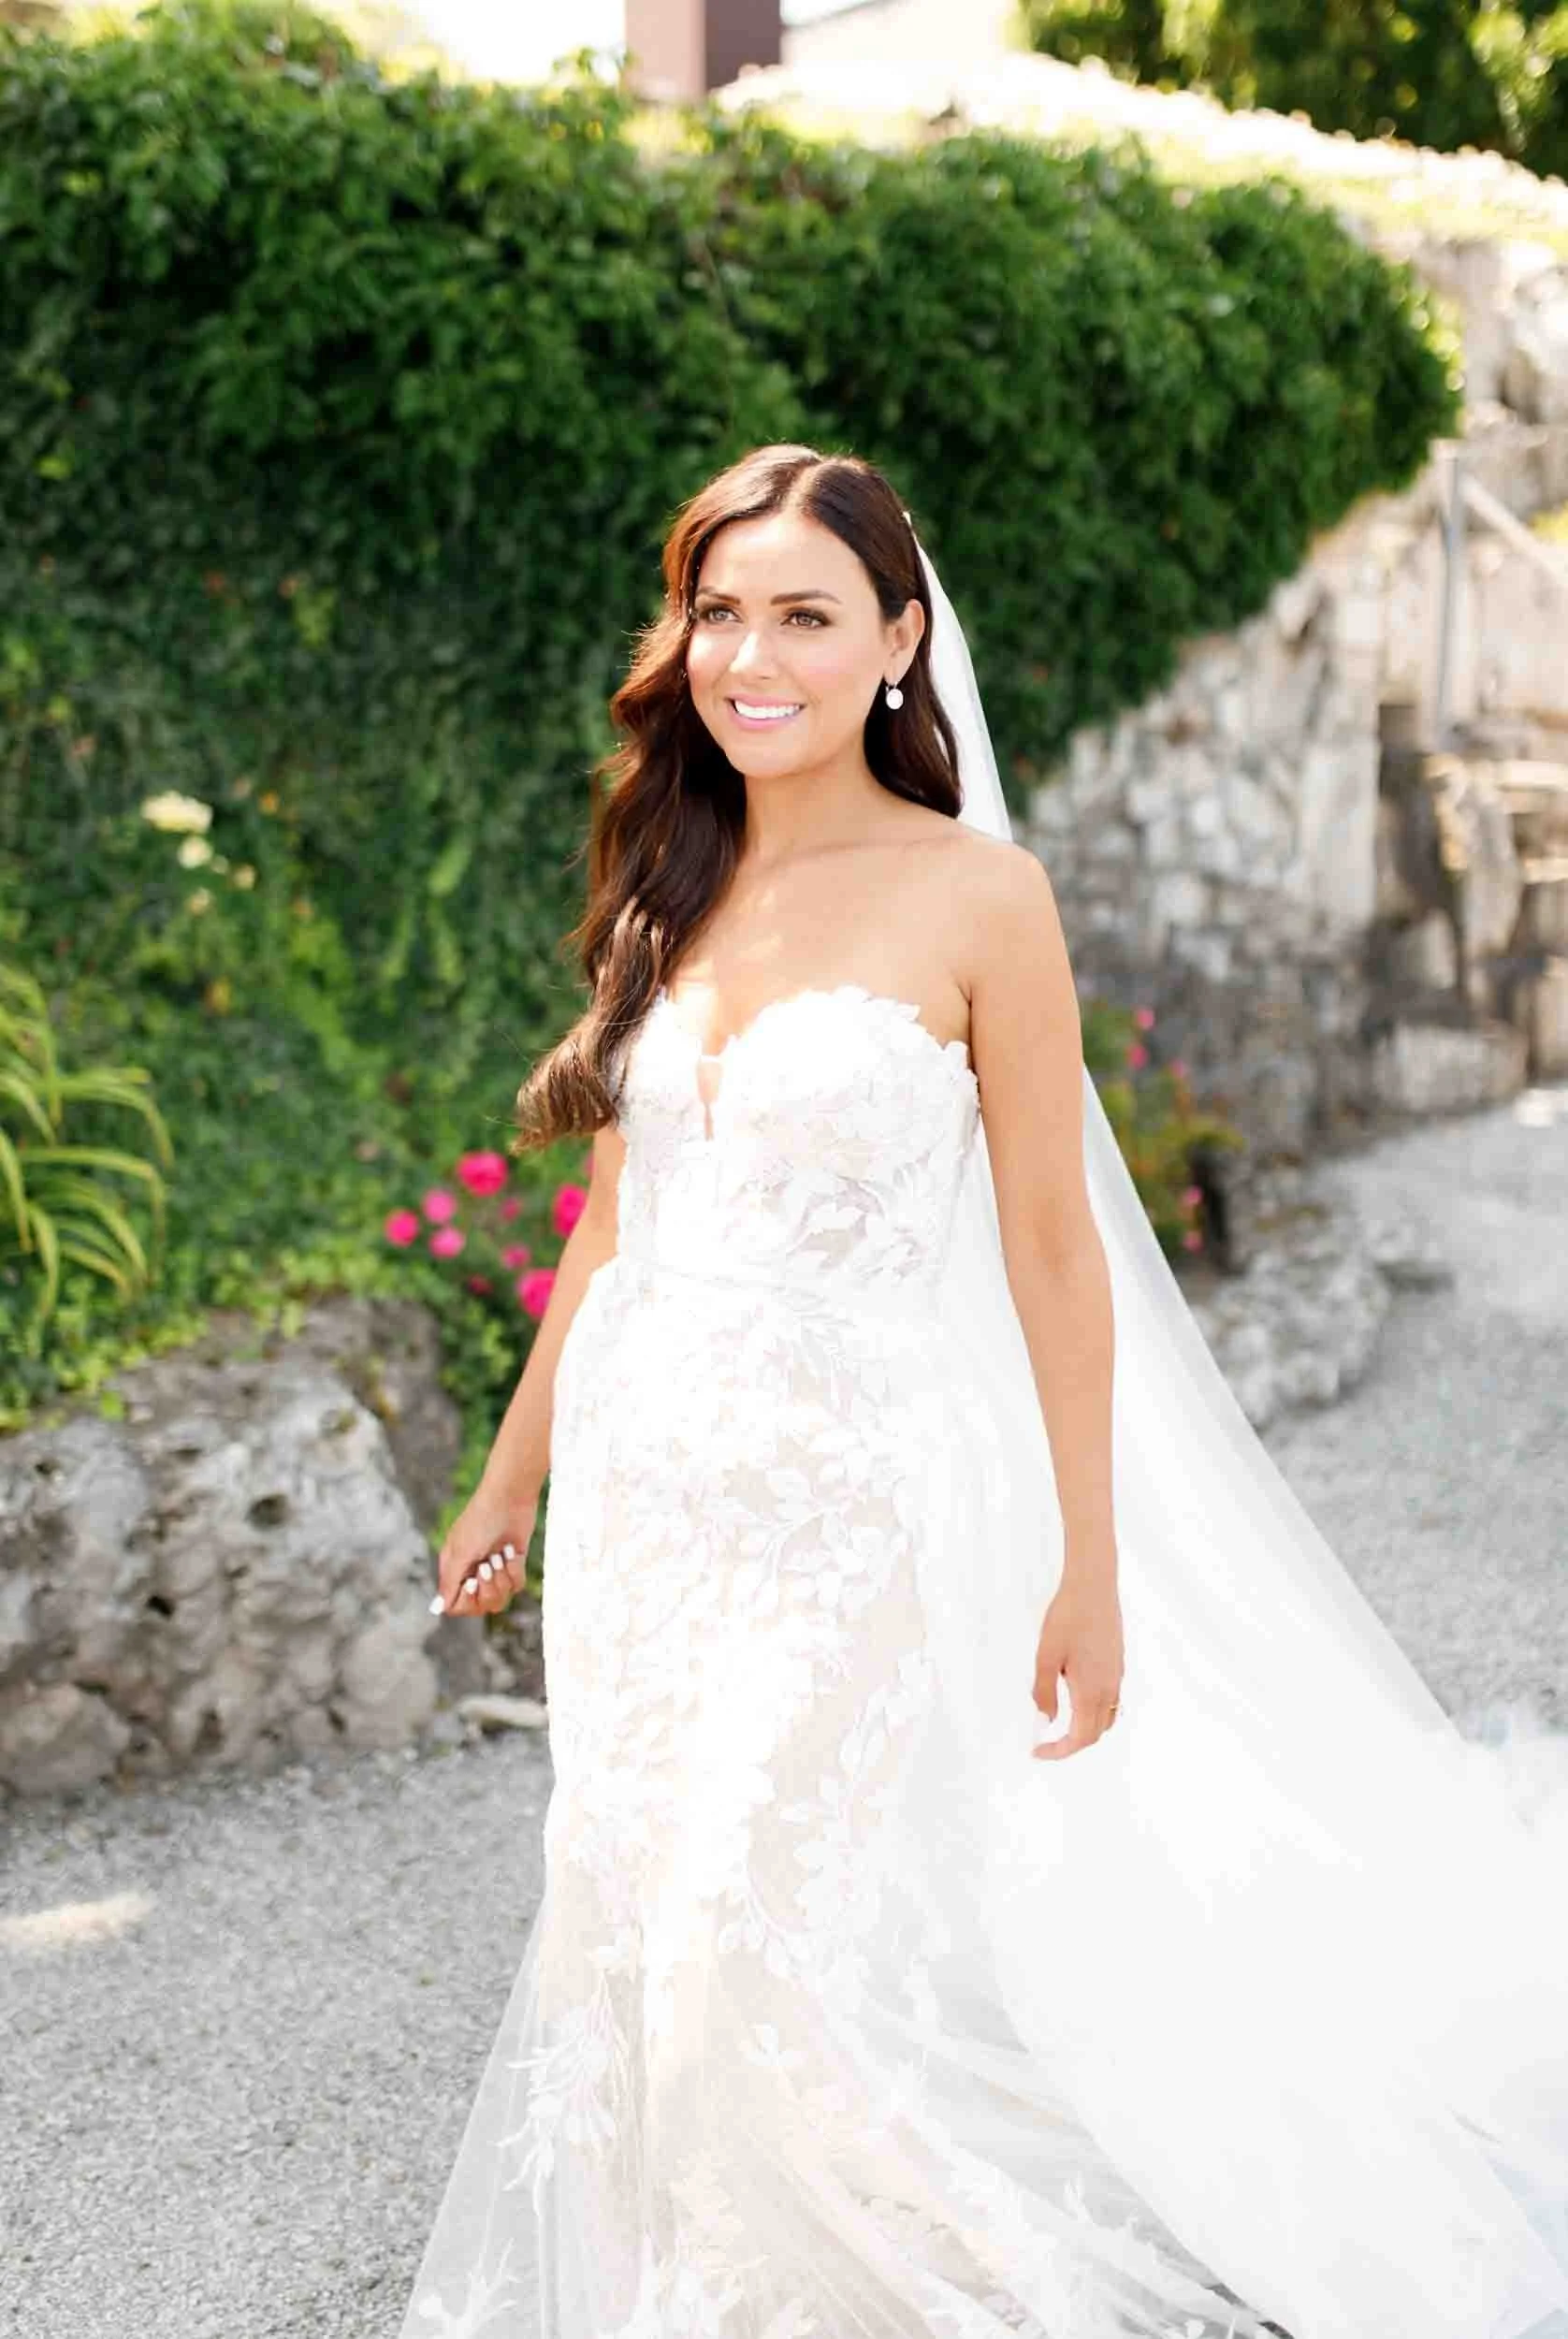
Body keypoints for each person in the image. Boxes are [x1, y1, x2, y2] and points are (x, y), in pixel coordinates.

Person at [399, 445, 1568, 2339]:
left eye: (803, 615)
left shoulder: (979, 896)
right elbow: (614, 1219)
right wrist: (509, 1479)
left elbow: (1050, 1244)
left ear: (897, 641)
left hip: (843, 1496)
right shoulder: (673, 878)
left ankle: (885, 2276)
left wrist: (1086, 1560)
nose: (749, 656)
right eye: (718, 612)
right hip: (644, 1490)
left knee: (742, 1914)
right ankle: (690, 2266)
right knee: (633, 1900)